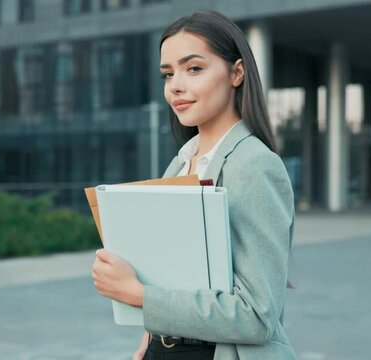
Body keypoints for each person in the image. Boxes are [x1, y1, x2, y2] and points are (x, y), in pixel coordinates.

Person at [91, 10, 296, 360]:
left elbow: (257, 315)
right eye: (168, 74)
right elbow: (174, 274)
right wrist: (149, 339)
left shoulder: (254, 166)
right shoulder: (181, 163)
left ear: (236, 73)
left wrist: (138, 295)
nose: (176, 86)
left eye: (194, 69)